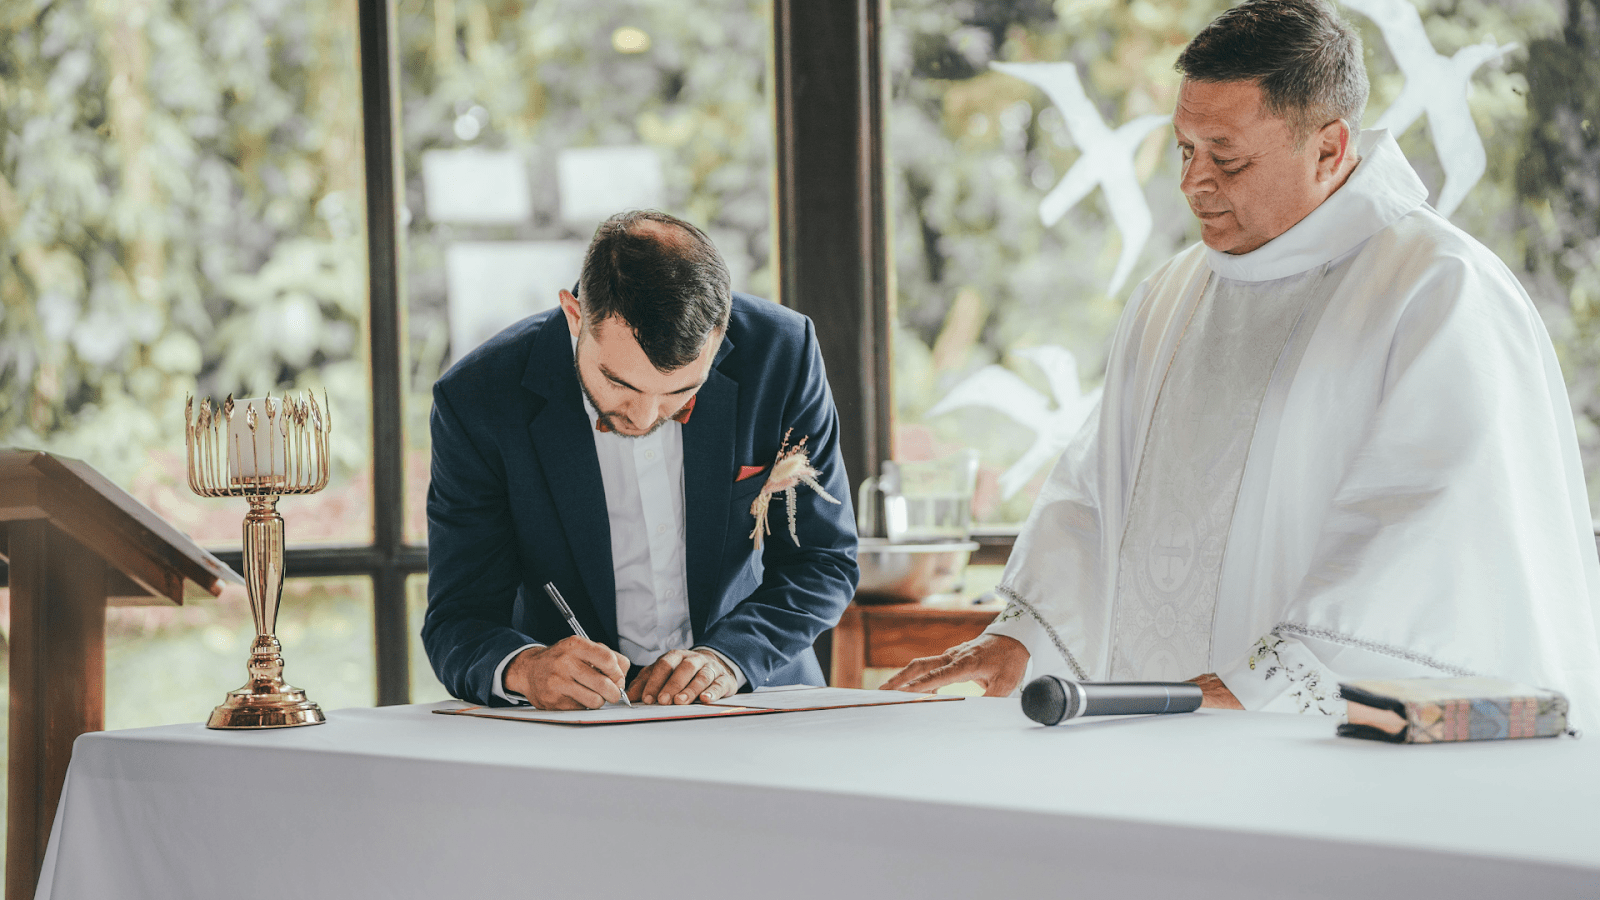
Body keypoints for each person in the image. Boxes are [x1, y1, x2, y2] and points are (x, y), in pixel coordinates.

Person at [884, 0, 1600, 720]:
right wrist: (1023, 633)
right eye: (1185, 150)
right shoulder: (1172, 294)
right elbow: (1097, 490)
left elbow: (1439, 525)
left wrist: (1275, 681)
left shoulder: (1437, 291)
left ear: (1329, 148)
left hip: (1326, 740)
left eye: (1226, 157)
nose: (1195, 182)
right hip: (1162, 728)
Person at [424, 210, 858, 710]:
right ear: (574, 315)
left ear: (721, 333)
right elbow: (458, 619)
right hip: (576, 729)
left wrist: (728, 659)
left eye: (681, 393)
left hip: (759, 701)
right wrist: (526, 668)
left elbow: (823, 560)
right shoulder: (479, 398)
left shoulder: (782, 353)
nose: (646, 415)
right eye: (619, 383)